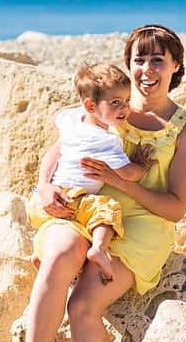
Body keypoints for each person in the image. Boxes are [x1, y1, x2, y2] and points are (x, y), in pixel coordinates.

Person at [0, 24, 186, 342]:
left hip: (143, 224)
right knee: (59, 258)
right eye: (139, 60)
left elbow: (176, 207)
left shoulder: (183, 131)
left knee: (84, 304)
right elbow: (61, 150)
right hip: (81, 206)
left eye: (158, 60)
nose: (147, 70)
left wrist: (112, 179)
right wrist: (44, 186)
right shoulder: (105, 103)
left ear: (176, 67)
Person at [27, 62, 155, 281]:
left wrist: (43, 185)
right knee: (108, 209)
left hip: (40, 201)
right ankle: (99, 249)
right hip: (71, 199)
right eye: (115, 102)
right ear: (91, 106)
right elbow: (127, 174)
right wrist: (142, 166)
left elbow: (56, 119)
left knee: (70, 229)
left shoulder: (71, 121)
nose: (124, 108)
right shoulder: (105, 140)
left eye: (126, 100)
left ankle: (41, 255)